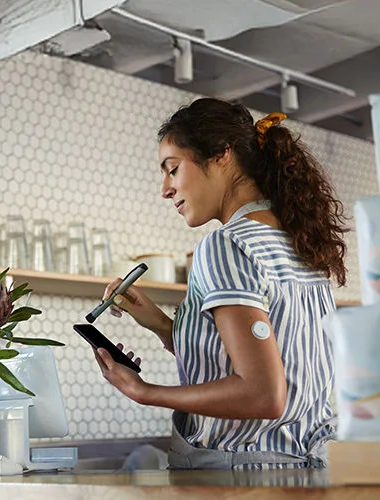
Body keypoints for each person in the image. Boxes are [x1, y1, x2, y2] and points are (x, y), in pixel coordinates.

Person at [93, 97, 350, 469]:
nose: (165, 189)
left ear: (221, 156)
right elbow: (271, 366)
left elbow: (263, 394)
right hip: (307, 474)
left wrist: (146, 392)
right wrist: (164, 327)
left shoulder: (226, 244)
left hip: (242, 479)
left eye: (173, 169)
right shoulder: (301, 245)